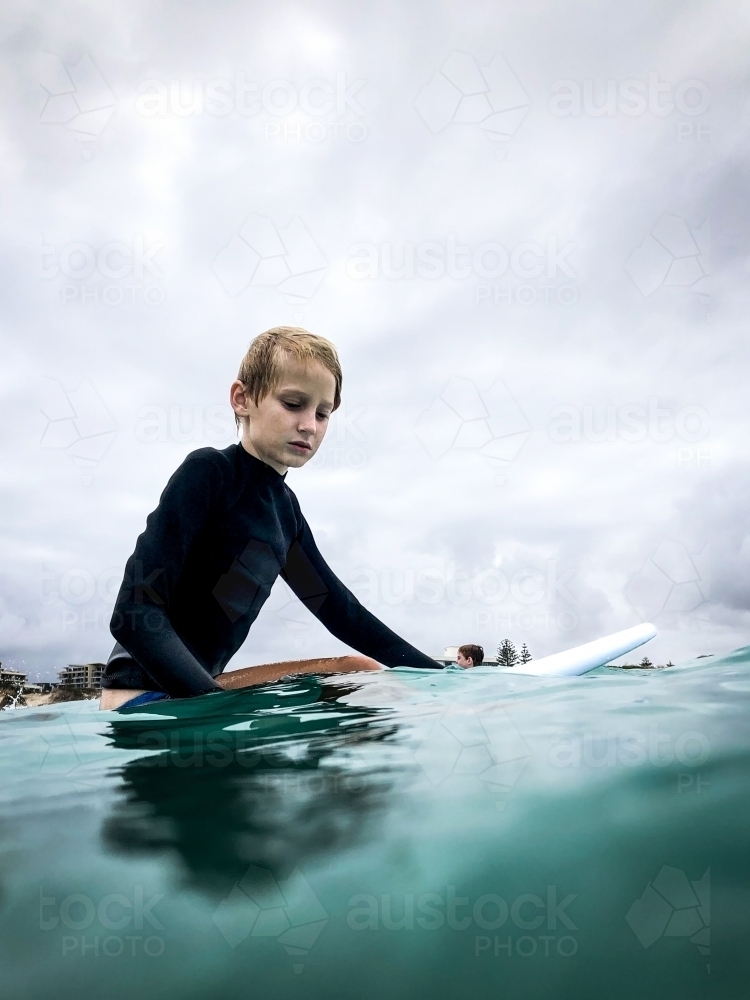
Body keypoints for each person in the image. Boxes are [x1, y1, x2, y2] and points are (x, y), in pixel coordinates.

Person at [100, 327, 442, 710]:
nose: (310, 425)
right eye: (294, 404)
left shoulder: (286, 515)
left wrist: (442, 677)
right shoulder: (210, 473)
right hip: (139, 697)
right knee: (357, 672)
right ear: (242, 399)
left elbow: (341, 614)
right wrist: (213, 708)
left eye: (322, 413)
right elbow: (133, 614)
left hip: (198, 693)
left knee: (362, 677)